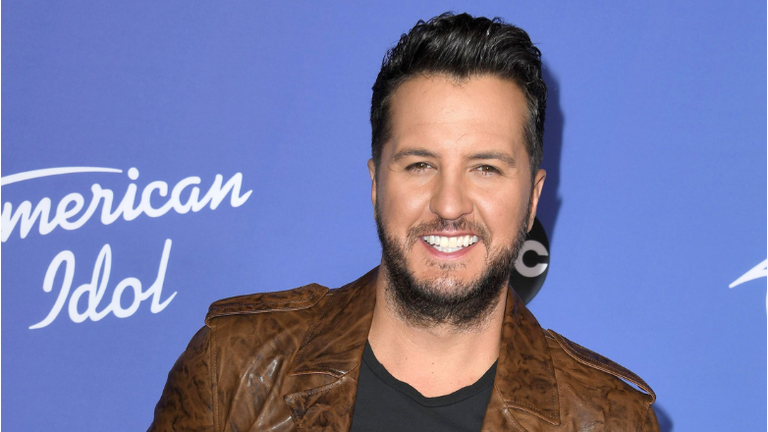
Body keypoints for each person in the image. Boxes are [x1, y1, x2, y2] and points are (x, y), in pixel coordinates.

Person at [149, 12, 659, 432]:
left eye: (485, 168)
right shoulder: (234, 370)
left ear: (533, 199)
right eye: (420, 165)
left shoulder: (608, 421)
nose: (450, 204)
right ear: (376, 184)